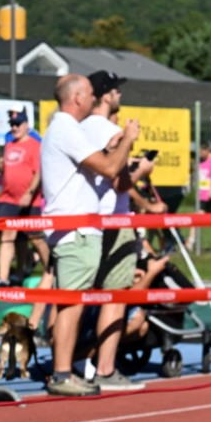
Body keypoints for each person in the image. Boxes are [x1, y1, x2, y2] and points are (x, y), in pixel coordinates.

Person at [38, 74, 138, 396]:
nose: (94, 99)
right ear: (78, 97)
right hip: (76, 229)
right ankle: (62, 373)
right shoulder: (66, 128)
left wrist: (110, 149)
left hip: (75, 228)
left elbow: (99, 164)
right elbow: (110, 170)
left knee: (72, 303)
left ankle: (64, 371)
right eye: (91, 94)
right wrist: (127, 139)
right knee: (71, 305)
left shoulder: (66, 129)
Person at [77, 71, 153, 391]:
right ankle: (106, 369)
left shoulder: (79, 128)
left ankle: (73, 363)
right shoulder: (111, 131)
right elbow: (119, 181)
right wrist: (142, 170)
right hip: (113, 219)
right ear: (106, 95)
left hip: (85, 219)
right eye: (117, 91)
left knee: (78, 296)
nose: (120, 96)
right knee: (116, 295)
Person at [0, 110, 48, 287]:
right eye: (12, 124)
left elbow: (39, 171)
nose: (15, 127)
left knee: (34, 237)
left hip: (30, 200)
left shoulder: (35, 145)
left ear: (26, 125)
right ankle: (3, 277)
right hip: (8, 198)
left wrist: (30, 192)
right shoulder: (9, 145)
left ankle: (50, 270)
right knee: (8, 235)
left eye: (18, 124)